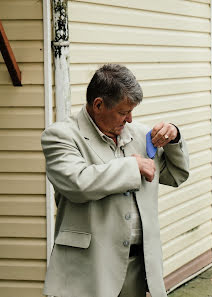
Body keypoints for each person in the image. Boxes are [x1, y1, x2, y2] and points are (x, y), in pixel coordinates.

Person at [42, 64, 189, 297]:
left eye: (132, 111)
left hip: (138, 268)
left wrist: (174, 137)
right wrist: (132, 166)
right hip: (88, 270)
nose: (130, 119)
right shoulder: (60, 136)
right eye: (123, 112)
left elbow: (176, 175)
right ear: (98, 104)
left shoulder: (141, 134)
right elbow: (77, 183)